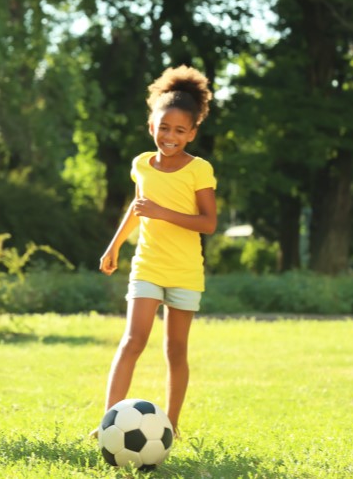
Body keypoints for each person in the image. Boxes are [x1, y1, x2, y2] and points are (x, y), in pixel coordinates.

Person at [95, 65, 217, 439]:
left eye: (180, 130)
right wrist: (113, 246)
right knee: (133, 341)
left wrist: (163, 213)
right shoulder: (141, 165)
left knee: (175, 351)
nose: (170, 136)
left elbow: (208, 223)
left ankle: (173, 425)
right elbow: (137, 208)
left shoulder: (199, 170)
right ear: (151, 126)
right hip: (147, 266)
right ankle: (108, 423)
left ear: (192, 133)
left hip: (184, 273)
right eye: (164, 128)